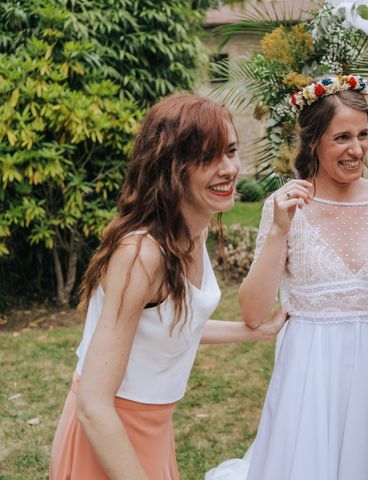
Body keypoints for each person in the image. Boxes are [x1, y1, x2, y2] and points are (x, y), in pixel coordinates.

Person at [49, 93, 285, 480]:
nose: (228, 168)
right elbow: (93, 404)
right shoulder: (140, 254)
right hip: (108, 434)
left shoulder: (194, 230)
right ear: (171, 166)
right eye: (208, 157)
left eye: (230, 151)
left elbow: (170, 325)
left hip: (155, 428)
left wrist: (257, 331)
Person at [227, 74, 368, 480]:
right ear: (314, 140)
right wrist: (280, 230)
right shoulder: (284, 207)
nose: (357, 149)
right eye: (342, 138)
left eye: (363, 135)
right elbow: (252, 312)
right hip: (309, 371)